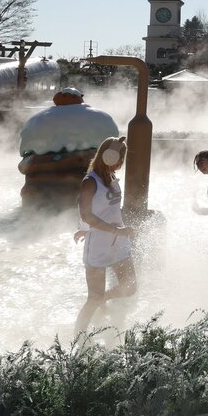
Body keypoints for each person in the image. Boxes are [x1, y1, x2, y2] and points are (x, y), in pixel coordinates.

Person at [73, 136, 137, 333]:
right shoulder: (90, 182)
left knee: (130, 286)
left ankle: (104, 298)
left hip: (119, 242)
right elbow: (86, 213)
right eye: (120, 157)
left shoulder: (111, 177)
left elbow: (107, 209)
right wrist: (112, 230)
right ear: (108, 156)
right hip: (99, 245)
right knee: (93, 298)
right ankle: (77, 340)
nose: (121, 162)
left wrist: (119, 230)